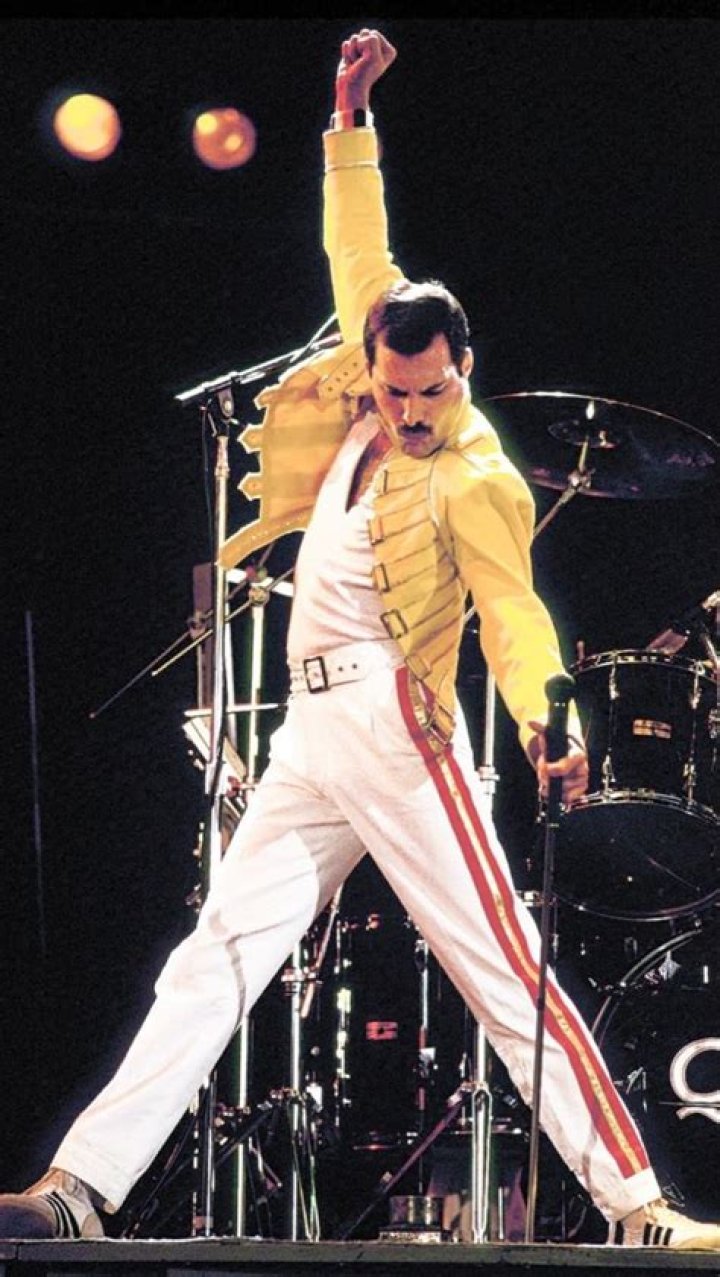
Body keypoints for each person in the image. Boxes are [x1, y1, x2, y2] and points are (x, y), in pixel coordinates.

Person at [2, 27, 718, 1252]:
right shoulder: (362, 381)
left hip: (400, 729)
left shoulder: (479, 474)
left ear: (464, 369)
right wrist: (348, 114)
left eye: (432, 391)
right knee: (218, 953)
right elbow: (357, 244)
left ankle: (640, 1205)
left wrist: (547, 717)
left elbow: (516, 610)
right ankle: (79, 1184)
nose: (412, 411)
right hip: (310, 733)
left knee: (504, 966)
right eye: (395, 391)